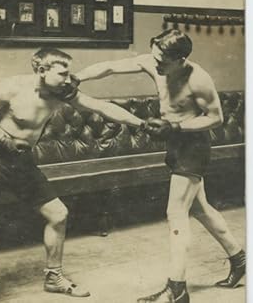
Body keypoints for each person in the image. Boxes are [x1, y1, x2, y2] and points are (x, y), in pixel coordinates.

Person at [0, 48, 155, 303]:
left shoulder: (63, 93)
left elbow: (101, 107)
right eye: (62, 74)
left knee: (58, 214)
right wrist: (3, 139)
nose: (68, 79)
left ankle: (53, 277)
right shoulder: (12, 87)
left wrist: (143, 124)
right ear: (41, 71)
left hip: (21, 160)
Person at [76, 29, 246, 303]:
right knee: (201, 209)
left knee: (176, 213)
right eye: (154, 58)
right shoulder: (154, 61)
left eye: (162, 62)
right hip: (174, 144)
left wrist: (177, 125)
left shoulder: (198, 79)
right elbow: (108, 67)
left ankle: (176, 290)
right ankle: (241, 260)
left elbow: (215, 118)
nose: (155, 66)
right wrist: (77, 77)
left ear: (180, 59)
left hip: (193, 146)